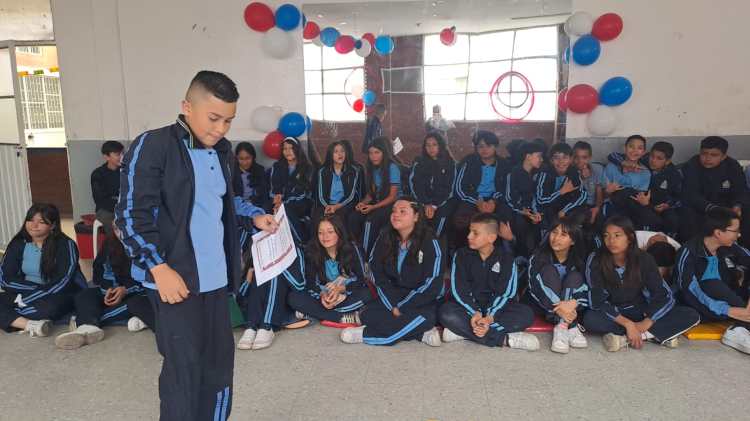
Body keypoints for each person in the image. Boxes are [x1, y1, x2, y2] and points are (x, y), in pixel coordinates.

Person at [115, 70, 277, 420]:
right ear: (187, 107)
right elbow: (129, 216)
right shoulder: (154, 145)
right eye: (214, 118)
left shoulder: (222, 151)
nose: (220, 129)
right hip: (174, 280)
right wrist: (159, 268)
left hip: (215, 280)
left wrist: (254, 216)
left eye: (228, 121)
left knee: (218, 368)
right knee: (183, 373)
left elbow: (221, 201)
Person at [583, 216, 700, 352]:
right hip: (614, 313)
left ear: (630, 237)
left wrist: (646, 322)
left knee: (690, 314)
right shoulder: (596, 259)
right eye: (606, 236)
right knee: (590, 319)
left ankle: (628, 338)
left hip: (639, 311)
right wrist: (628, 324)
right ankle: (655, 334)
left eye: (617, 235)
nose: (611, 241)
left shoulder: (644, 259)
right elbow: (597, 300)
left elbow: (664, 295)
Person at [340, 198, 444, 346]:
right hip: (394, 294)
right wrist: (393, 304)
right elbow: (376, 272)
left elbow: (433, 283)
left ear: (416, 216)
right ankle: (420, 333)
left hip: (421, 300)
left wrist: (402, 307)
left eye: (402, 211)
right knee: (367, 314)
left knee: (425, 317)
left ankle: (364, 335)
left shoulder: (431, 242)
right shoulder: (385, 236)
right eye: (394, 211)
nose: (396, 214)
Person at [439, 213, 539, 350]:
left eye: (475, 233)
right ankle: (504, 339)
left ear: (491, 237)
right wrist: (475, 312)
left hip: (497, 309)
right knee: (446, 312)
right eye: (470, 231)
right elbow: (459, 290)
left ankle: (463, 332)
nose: (469, 236)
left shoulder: (507, 258)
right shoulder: (461, 255)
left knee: (526, 314)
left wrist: (490, 317)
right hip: (469, 309)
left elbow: (506, 293)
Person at [55, 223, 155, 350]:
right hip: (115, 289)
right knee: (85, 295)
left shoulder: (150, 244)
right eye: (116, 229)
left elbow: (152, 279)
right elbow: (101, 271)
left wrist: (127, 290)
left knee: (136, 304)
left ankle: (85, 323)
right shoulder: (111, 243)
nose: (121, 233)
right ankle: (88, 327)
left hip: (139, 291)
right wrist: (110, 289)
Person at [0, 203, 86, 338]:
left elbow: (64, 280)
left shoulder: (66, 244)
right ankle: (30, 324)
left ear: (53, 225)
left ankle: (15, 319)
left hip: (58, 293)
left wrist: (33, 296)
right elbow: (5, 279)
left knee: (49, 308)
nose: (34, 225)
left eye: (41, 222)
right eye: (30, 220)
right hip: (23, 293)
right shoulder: (18, 243)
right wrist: (30, 293)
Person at [673, 207, 750, 354]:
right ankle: (738, 329)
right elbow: (689, 292)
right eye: (735, 231)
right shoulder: (688, 252)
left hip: (733, 301)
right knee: (712, 283)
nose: (739, 235)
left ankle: (741, 325)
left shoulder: (730, 247)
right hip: (702, 307)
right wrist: (727, 310)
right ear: (718, 233)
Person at [288, 215, 372, 324]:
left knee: (367, 294)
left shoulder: (353, 249)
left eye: (330, 232)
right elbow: (311, 283)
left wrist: (340, 289)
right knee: (294, 297)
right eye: (320, 233)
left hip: (347, 293)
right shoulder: (312, 252)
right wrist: (323, 295)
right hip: (324, 296)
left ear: (339, 232)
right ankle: (341, 317)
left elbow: (361, 280)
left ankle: (314, 313)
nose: (325, 236)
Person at [527, 216, 589, 353]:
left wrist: (574, 302)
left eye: (563, 234)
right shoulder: (539, 256)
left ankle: (562, 325)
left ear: (573, 241)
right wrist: (561, 310)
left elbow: (588, 288)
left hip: (570, 308)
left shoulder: (579, 260)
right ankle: (568, 325)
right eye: (554, 232)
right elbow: (534, 287)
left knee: (575, 276)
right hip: (544, 306)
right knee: (549, 271)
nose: (556, 238)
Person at [680, 136, 750, 245]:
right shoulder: (692, 165)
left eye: (714, 155)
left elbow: (741, 190)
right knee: (687, 213)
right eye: (704, 153)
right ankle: (695, 249)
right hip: (703, 208)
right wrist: (713, 209)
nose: (707, 158)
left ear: (723, 157)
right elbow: (691, 194)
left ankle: (742, 249)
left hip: (728, 208)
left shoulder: (732, 165)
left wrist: (737, 205)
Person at [452, 130, 511, 249]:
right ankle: (462, 251)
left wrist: (494, 201)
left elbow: (507, 189)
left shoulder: (504, 165)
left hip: (496, 199)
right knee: (460, 221)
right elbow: (459, 188)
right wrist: (477, 201)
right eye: (481, 146)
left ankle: (503, 252)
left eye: (488, 146)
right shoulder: (468, 162)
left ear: (495, 147)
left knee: (506, 219)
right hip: (472, 198)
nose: (484, 150)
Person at [349, 136, 401, 253]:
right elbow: (371, 194)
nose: (373, 156)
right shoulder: (373, 168)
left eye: (377, 152)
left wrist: (373, 207)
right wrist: (363, 203)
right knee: (354, 217)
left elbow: (392, 197)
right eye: (371, 153)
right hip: (377, 203)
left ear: (384, 153)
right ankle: (354, 250)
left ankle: (365, 254)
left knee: (370, 221)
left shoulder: (392, 168)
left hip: (392, 204)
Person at [604, 135, 661, 230]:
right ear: (625, 148)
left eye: (639, 148)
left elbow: (640, 197)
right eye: (631, 146)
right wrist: (608, 191)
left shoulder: (645, 173)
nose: (635, 151)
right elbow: (604, 196)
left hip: (633, 207)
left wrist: (645, 202)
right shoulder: (611, 167)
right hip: (614, 205)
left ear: (643, 152)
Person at [409, 132, 456, 238]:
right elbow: (415, 185)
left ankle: (435, 241)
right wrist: (426, 203)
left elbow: (449, 188)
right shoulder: (419, 162)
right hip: (422, 200)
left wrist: (434, 205)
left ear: (440, 145)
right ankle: (417, 243)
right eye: (428, 145)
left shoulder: (450, 164)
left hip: (442, 201)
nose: (431, 148)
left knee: (442, 214)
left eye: (434, 144)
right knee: (417, 217)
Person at [504, 141, 546, 257]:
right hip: (516, 211)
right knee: (520, 224)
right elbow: (509, 198)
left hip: (530, 211)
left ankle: (536, 258)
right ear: (528, 156)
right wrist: (523, 211)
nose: (541, 159)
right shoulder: (513, 173)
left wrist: (535, 212)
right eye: (539, 156)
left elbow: (536, 197)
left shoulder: (537, 173)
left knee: (541, 223)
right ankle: (520, 257)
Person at [269, 136, 314, 243]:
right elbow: (275, 187)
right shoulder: (277, 166)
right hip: (281, 201)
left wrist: (283, 203)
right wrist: (277, 198)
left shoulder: (307, 167)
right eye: (285, 149)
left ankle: (302, 242)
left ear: (297, 149)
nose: (288, 152)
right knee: (268, 208)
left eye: (291, 148)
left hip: (301, 201)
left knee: (285, 209)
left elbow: (303, 191)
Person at [312, 140, 363, 228]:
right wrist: (327, 206)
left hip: (345, 204)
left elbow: (350, 195)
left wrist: (336, 207)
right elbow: (320, 195)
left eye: (342, 151)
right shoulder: (322, 171)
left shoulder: (353, 170)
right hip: (326, 204)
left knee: (339, 218)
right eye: (336, 152)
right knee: (318, 218)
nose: (340, 154)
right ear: (330, 155)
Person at [91, 140, 124, 234]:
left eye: (122, 153)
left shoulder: (126, 171)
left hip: (124, 207)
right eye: (118, 154)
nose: (122, 157)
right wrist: (119, 204)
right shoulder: (98, 174)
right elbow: (99, 200)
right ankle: (114, 242)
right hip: (106, 211)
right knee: (116, 226)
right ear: (106, 157)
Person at [573, 141, 605, 225]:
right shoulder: (570, 171)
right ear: (572, 157)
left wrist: (597, 208)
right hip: (576, 205)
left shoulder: (597, 169)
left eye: (584, 157)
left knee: (600, 219)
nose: (580, 161)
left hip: (593, 205)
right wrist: (581, 179)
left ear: (590, 158)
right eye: (576, 157)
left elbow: (599, 191)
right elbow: (572, 197)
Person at [232, 141, 269, 209]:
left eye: (248, 158)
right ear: (236, 158)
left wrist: (265, 211)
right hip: (238, 207)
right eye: (241, 159)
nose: (244, 162)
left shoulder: (260, 170)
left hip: (257, 206)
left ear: (253, 157)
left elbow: (265, 195)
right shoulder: (232, 171)